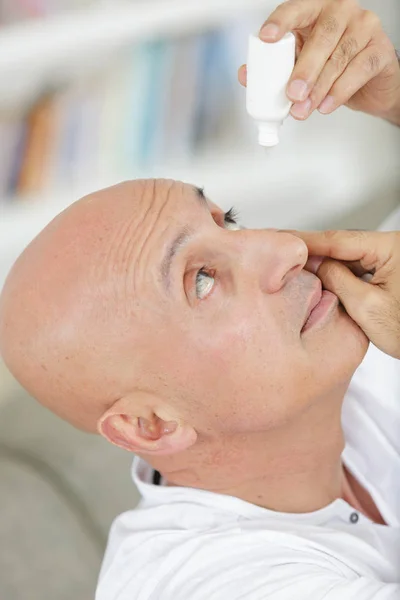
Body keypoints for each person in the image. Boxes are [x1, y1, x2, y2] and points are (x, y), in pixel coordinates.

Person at [0, 0, 399, 598]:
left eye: (229, 221)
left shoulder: (361, 343)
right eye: (202, 280)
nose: (286, 246)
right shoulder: (219, 584)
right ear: (154, 426)